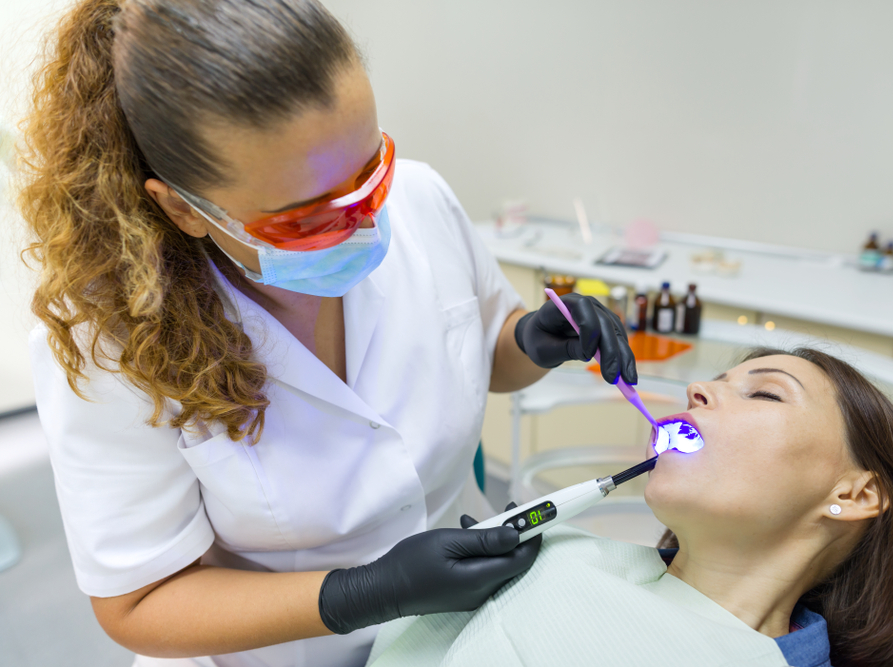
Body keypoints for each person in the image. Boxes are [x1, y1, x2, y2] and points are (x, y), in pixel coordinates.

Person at [16, 1, 637, 666]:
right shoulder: (109, 340)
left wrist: (530, 342)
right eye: (306, 219)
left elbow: (489, 352)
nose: (365, 225)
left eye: (371, 175)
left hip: (467, 630)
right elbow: (139, 603)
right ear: (183, 208)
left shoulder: (422, 200)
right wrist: (363, 593)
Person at [365, 348, 893, 667]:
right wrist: (373, 593)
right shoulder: (562, 552)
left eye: (764, 392)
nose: (697, 388)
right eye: (718, 379)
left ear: (853, 494)